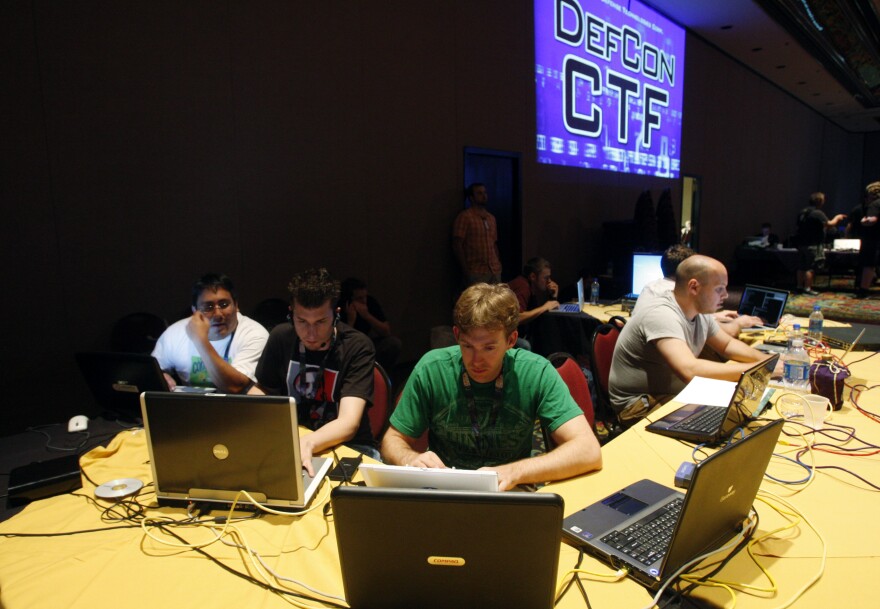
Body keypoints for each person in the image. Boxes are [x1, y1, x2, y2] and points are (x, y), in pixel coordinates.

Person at [380, 283, 602, 491]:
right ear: (457, 336)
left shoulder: (536, 372)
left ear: (511, 340)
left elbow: (588, 450)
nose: (476, 360)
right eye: (468, 346)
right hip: (446, 490)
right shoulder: (432, 368)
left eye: (489, 348)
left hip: (510, 489)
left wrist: (514, 471)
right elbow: (392, 440)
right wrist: (410, 459)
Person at [609, 256, 777, 424]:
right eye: (719, 289)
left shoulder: (698, 311)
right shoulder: (661, 314)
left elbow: (727, 345)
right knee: (729, 419)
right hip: (639, 405)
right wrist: (758, 370)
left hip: (671, 394)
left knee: (743, 408)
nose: (725, 295)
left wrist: (769, 361)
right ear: (694, 287)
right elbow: (689, 370)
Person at [254, 268, 377, 473]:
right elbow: (264, 391)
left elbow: (349, 422)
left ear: (336, 315)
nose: (310, 334)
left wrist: (308, 442)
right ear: (291, 313)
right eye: (302, 321)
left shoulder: (358, 346)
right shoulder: (280, 337)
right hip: (292, 439)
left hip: (349, 445)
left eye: (320, 322)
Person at [152, 273, 269, 393]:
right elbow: (152, 371)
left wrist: (201, 340)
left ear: (236, 305)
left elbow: (235, 386)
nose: (218, 314)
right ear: (194, 311)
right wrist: (162, 376)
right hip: (189, 406)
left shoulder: (254, 334)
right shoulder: (175, 333)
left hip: (235, 406)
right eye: (208, 307)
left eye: (224, 305)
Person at [633, 245, 763, 337]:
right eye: (719, 289)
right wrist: (740, 323)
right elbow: (726, 332)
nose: (725, 295)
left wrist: (715, 316)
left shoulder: (651, 286)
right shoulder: (673, 298)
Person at [339, 277, 402, 371]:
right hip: (350, 349)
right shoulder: (341, 308)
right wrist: (350, 321)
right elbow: (343, 344)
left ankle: (381, 378)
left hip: (366, 343)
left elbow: (386, 331)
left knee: (393, 343)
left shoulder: (370, 302)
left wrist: (367, 316)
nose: (364, 301)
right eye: (359, 298)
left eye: (365, 296)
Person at [795, 192, 846, 295]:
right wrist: (838, 217)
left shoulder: (802, 212)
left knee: (801, 267)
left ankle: (799, 286)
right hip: (813, 244)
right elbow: (830, 224)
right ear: (820, 201)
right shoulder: (817, 213)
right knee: (811, 267)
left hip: (801, 243)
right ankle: (808, 288)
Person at [452, 183, 502, 286]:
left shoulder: (491, 218)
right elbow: (457, 244)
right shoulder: (465, 217)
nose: (484, 196)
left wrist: (498, 263)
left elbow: (494, 243)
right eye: (479, 193)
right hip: (476, 271)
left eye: (485, 192)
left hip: (494, 270)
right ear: (471, 198)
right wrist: (465, 270)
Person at [506, 257, 561, 346]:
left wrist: (553, 297)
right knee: (525, 344)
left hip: (516, 332)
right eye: (546, 278)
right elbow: (517, 318)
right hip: (503, 333)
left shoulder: (530, 286)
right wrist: (544, 307)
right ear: (533, 277)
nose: (549, 281)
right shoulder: (522, 286)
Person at [847, 182, 880, 298]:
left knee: (868, 265)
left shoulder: (875, 204)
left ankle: (863, 290)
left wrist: (864, 221)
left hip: (872, 239)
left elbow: (871, 220)